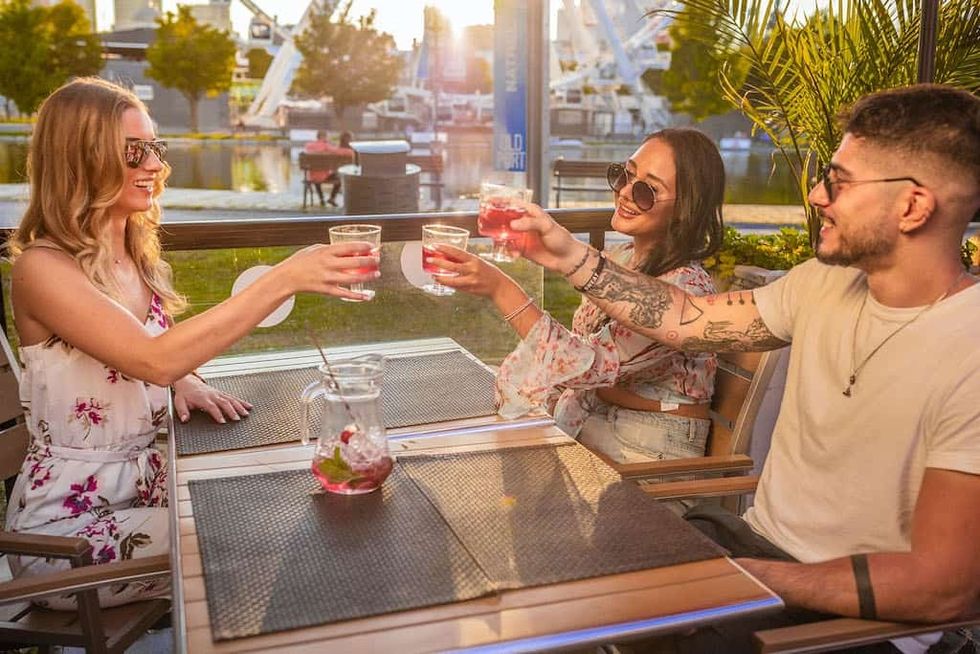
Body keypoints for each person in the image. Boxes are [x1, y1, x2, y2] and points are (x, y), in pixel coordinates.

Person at [498, 84, 980, 652]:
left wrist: (750, 581)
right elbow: (685, 318)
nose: (819, 196)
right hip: (752, 544)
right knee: (580, 580)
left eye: (841, 182)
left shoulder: (968, 346)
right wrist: (565, 253)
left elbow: (939, 591)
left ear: (913, 207)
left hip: (860, 621)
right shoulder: (820, 283)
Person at [4, 78, 378, 608]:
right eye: (133, 151)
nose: (154, 164)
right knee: (255, 541)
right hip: (70, 534)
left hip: (148, 493)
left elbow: (138, 352)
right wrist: (284, 278)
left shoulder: (132, 255)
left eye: (156, 147)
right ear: (79, 159)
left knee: (284, 502)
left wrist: (186, 377)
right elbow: (152, 359)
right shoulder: (42, 269)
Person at [434, 129, 724, 469]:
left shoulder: (685, 289)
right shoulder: (620, 258)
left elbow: (584, 364)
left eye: (648, 190)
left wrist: (501, 289)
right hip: (597, 430)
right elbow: (584, 353)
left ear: (684, 209)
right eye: (626, 175)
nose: (626, 193)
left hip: (648, 458)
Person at [304, 130, 353, 207]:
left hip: (312, 176)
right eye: (326, 136)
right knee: (340, 179)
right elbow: (339, 151)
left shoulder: (309, 146)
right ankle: (332, 198)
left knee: (317, 177)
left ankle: (322, 200)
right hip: (323, 176)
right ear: (323, 137)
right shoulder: (325, 146)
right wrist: (351, 152)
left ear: (317, 137)